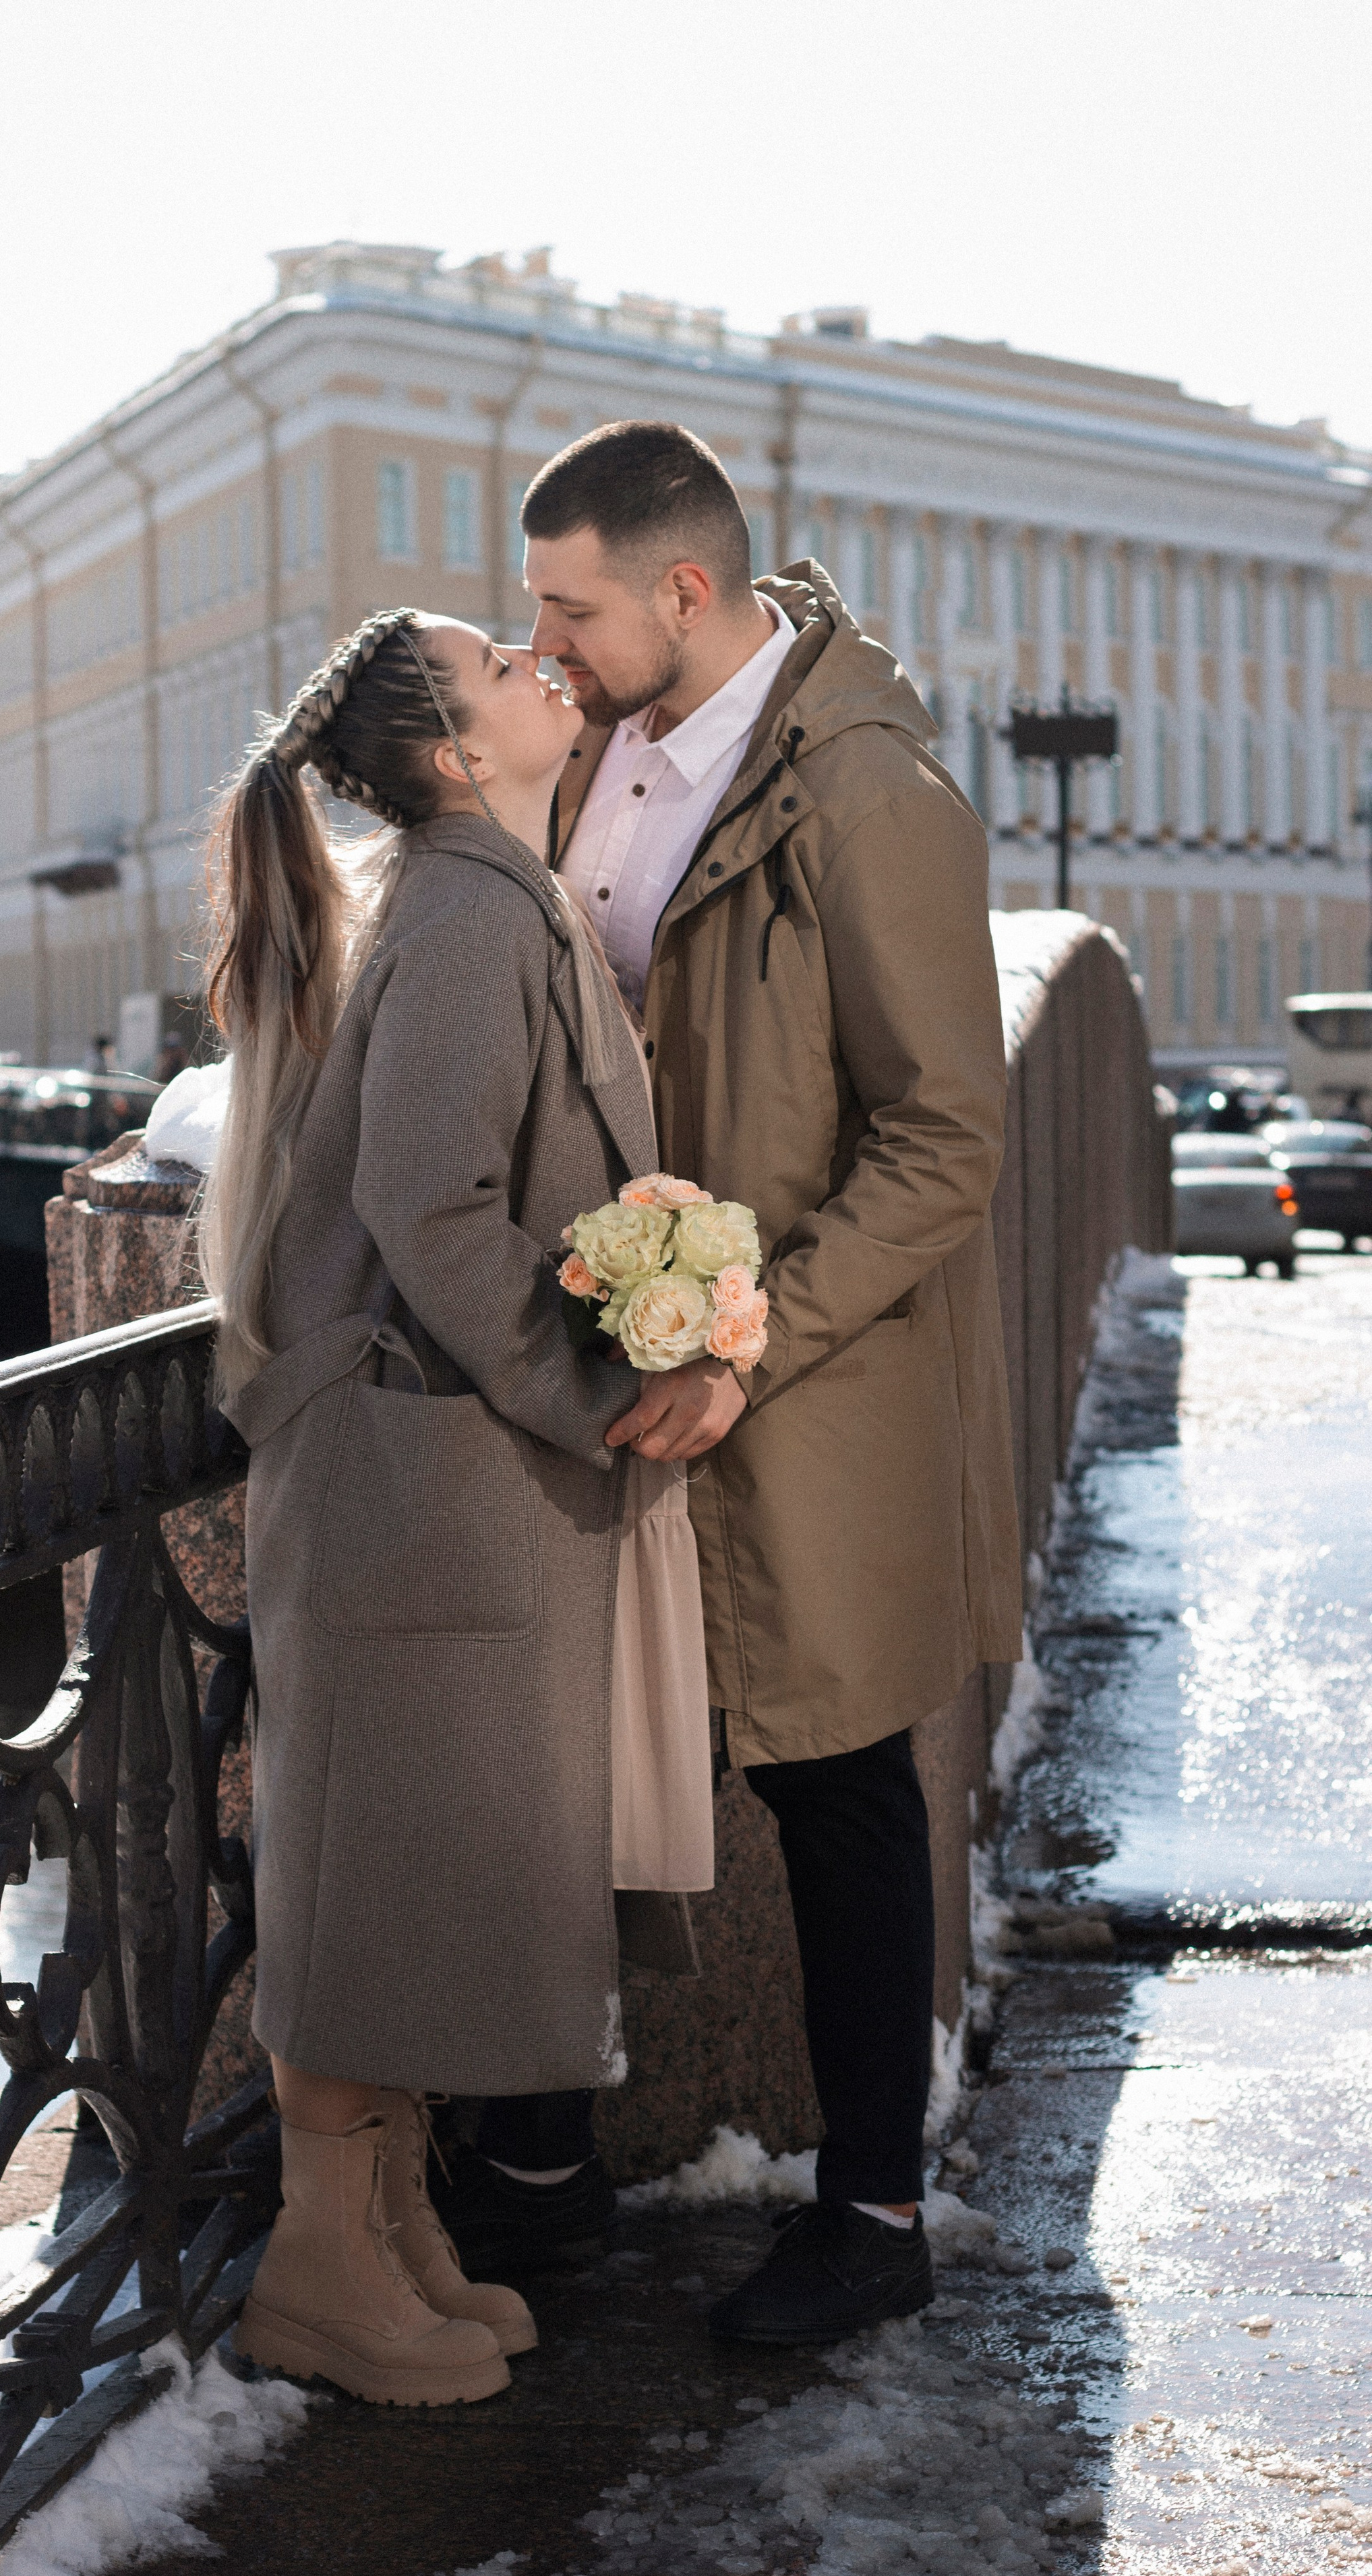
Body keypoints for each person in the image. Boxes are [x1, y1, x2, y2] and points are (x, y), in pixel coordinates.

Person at [442, 421, 1022, 2343]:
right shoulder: (600, 750)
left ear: (683, 592)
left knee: (837, 1787)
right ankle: (538, 2172)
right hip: (601, 1367)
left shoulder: (868, 795)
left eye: (571, 608)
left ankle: (873, 2215)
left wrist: (749, 1340)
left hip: (806, 1387)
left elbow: (946, 1137)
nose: (545, 644)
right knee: (569, 1758)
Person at [199, 606, 713, 2405]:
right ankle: (322, 2270)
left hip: (423, 1477)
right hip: (416, 1477)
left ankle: (389, 2233)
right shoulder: (474, 911)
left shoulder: (487, 896)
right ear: (455, 754)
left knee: (408, 1875)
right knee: (376, 1883)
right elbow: (430, 1206)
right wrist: (600, 1387)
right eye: (500, 659)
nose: (535, 657)